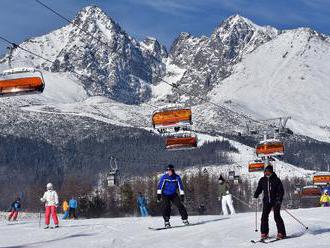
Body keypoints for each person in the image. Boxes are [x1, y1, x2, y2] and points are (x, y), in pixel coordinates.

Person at [254, 165, 286, 240]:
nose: (267, 173)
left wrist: (279, 200)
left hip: (275, 201)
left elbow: (281, 191)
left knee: (276, 216)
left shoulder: (276, 180)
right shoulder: (262, 180)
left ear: (271, 172)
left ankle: (281, 233)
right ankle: (264, 233)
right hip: (266, 201)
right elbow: (259, 188)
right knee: (264, 217)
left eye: (268, 172)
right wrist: (256, 194)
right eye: (265, 172)